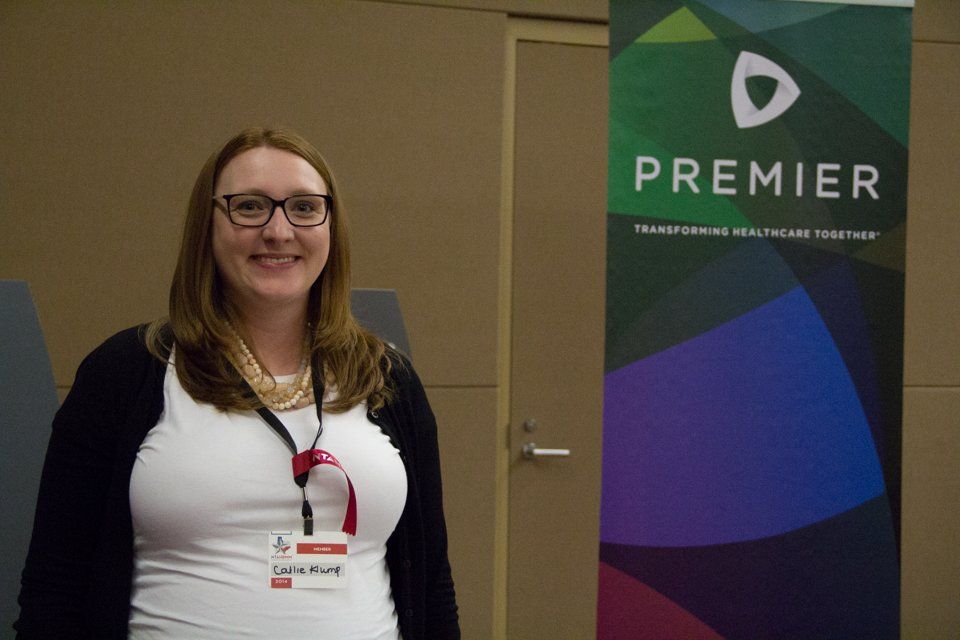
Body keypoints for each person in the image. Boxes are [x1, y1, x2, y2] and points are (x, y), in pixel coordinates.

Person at [15, 127, 459, 639]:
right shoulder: (127, 372)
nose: (278, 230)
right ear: (206, 225)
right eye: (249, 207)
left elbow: (432, 586)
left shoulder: (386, 378)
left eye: (304, 207)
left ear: (331, 226)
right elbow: (56, 587)